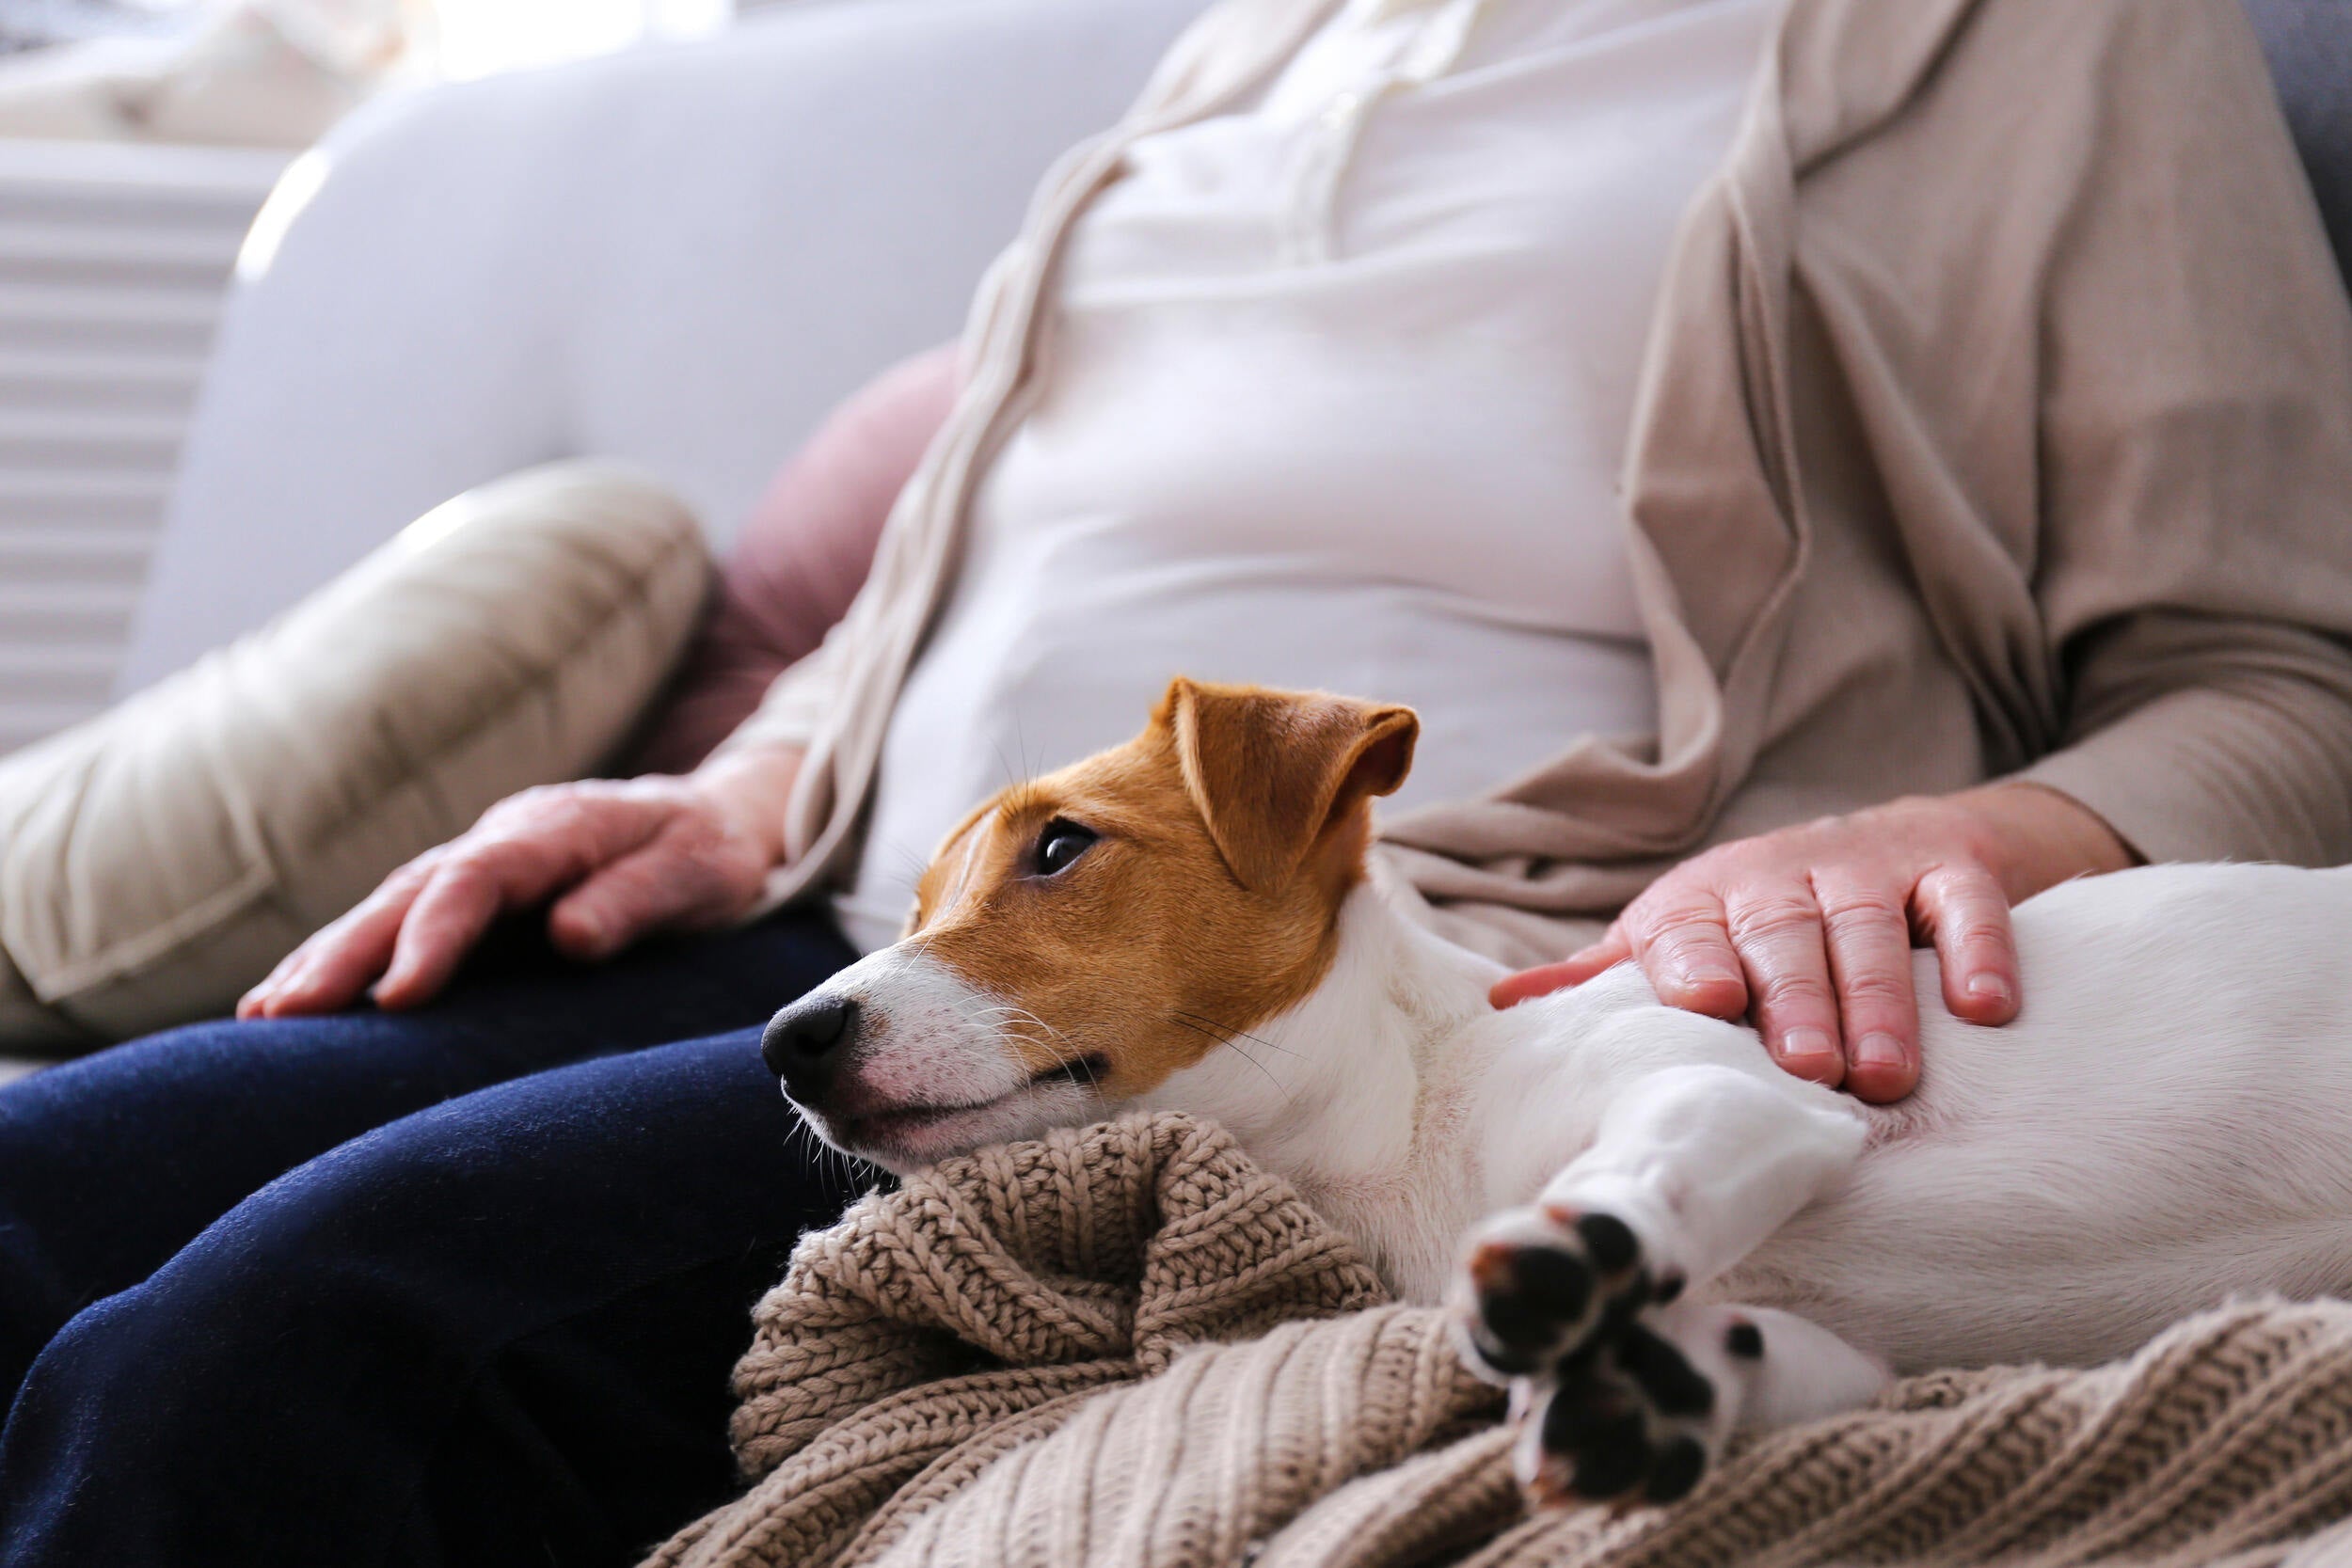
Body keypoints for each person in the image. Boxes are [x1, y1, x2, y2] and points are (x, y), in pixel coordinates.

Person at [5, 0, 2351, 1560]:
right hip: (842, 909)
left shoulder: (2023, 36)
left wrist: (1950, 832)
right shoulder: (1255, 32)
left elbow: (2276, 672)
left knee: (263, 1364)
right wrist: (731, 788)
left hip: (1310, 997)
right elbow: (979, 571)